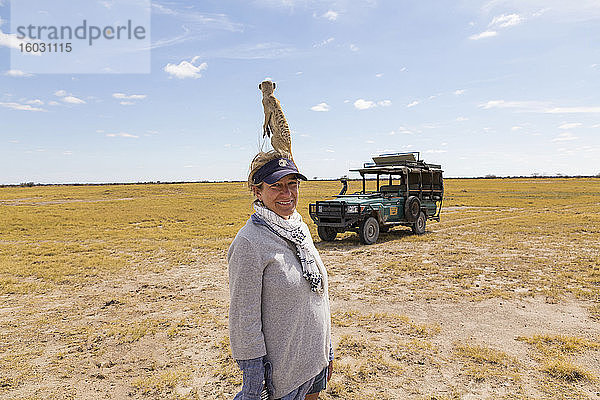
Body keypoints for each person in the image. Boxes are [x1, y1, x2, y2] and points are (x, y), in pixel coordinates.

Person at [228, 151, 333, 400]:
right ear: (257, 191)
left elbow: (317, 295)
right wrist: (254, 378)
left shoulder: (298, 227)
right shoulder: (249, 242)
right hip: (283, 374)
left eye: (292, 184)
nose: (287, 194)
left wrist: (326, 349)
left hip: (313, 360)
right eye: (276, 186)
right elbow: (244, 319)